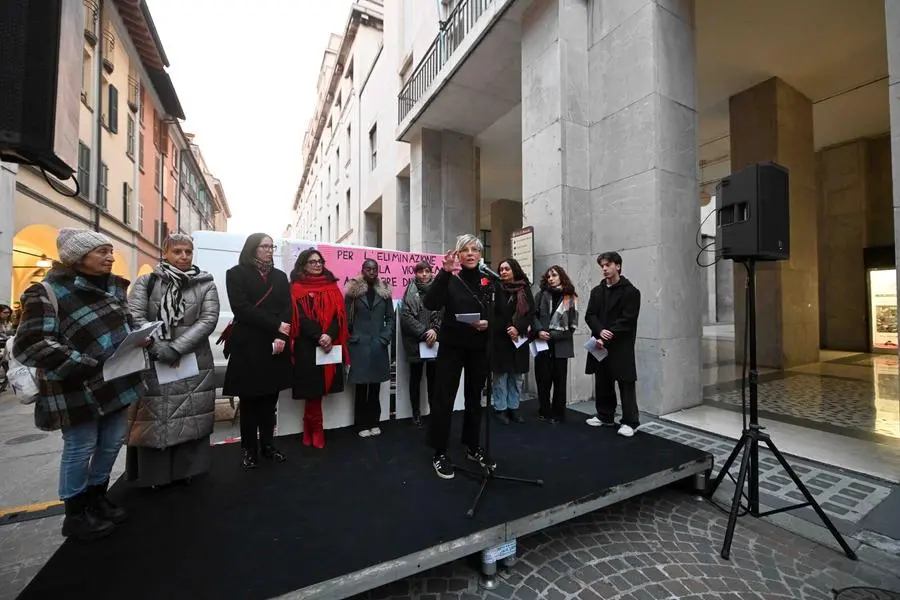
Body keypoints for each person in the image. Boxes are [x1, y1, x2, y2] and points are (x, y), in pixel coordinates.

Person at [13, 228, 148, 540]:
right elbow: (32, 342)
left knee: (112, 441)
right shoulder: (46, 292)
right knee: (80, 446)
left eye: (110, 250)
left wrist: (141, 337)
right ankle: (75, 513)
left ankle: (96, 497)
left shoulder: (114, 288)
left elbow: (127, 324)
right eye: (101, 251)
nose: (110, 257)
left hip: (114, 380)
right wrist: (86, 362)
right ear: (77, 256)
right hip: (74, 387)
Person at [125, 233, 220, 488]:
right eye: (177, 251)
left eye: (188, 252)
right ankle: (155, 477)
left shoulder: (205, 284)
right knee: (155, 418)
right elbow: (135, 316)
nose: (184, 256)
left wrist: (176, 349)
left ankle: (186, 471)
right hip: (153, 362)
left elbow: (208, 320)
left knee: (191, 416)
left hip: (192, 361)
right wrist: (159, 347)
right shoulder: (147, 282)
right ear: (164, 253)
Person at [423, 234, 494, 480]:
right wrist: (443, 273)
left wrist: (489, 322)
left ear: (480, 254)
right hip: (452, 346)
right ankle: (439, 452)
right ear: (458, 254)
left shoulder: (488, 280)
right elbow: (430, 303)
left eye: (475, 249)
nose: (471, 254)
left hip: (478, 347)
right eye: (465, 250)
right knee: (444, 398)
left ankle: (473, 446)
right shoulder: (450, 278)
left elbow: (501, 312)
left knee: (475, 398)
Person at [222, 233, 292, 468]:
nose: (270, 250)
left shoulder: (280, 277)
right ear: (253, 249)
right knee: (250, 401)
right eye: (265, 246)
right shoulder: (236, 274)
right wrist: (275, 325)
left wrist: (281, 335)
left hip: (273, 345)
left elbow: (286, 309)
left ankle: (268, 446)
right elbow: (241, 309)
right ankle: (248, 449)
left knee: (269, 400)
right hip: (248, 345)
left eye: (272, 246)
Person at [289, 248, 349, 448]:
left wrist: (329, 335)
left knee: (321, 388)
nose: (317, 264)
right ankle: (315, 427)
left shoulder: (332, 286)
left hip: (327, 344)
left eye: (319, 261)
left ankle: (312, 426)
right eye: (312, 261)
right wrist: (319, 335)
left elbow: (338, 316)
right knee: (311, 389)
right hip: (306, 345)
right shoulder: (296, 287)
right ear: (303, 264)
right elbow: (299, 317)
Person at [584, 251, 641, 437]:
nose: (604, 269)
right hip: (600, 344)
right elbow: (589, 315)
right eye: (602, 266)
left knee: (625, 382)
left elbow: (628, 319)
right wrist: (600, 331)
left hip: (621, 345)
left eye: (608, 265)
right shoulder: (597, 291)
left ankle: (630, 422)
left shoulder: (631, 291)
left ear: (618, 266)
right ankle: (605, 415)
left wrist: (609, 334)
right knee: (602, 380)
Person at [345, 259, 396, 437]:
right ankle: (360, 425)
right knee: (360, 387)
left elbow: (391, 318)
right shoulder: (353, 291)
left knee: (375, 386)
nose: (372, 272)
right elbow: (346, 318)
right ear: (362, 270)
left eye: (375, 269)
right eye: (368, 268)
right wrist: (351, 337)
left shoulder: (384, 292)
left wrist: (385, 337)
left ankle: (374, 421)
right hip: (358, 345)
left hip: (378, 344)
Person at [490, 258, 534, 424]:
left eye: (507, 269)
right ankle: (500, 408)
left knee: (516, 376)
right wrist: (509, 327)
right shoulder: (495, 288)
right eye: (501, 269)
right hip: (500, 337)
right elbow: (494, 312)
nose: (503, 272)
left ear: (514, 270)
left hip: (519, 339)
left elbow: (530, 312)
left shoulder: (524, 288)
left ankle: (513, 407)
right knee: (500, 376)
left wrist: (518, 328)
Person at [532, 265, 579, 423]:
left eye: (554, 275)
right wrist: (539, 331)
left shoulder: (570, 297)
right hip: (542, 343)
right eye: (548, 276)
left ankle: (558, 414)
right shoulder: (540, 295)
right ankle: (544, 411)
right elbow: (533, 315)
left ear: (562, 277)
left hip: (561, 344)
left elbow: (572, 325)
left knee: (560, 382)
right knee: (543, 380)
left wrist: (551, 335)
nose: (550, 278)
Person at [399, 261, 442, 427]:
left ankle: (433, 411)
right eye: (420, 272)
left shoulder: (438, 291)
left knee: (434, 380)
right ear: (415, 274)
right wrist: (424, 332)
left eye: (427, 271)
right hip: (415, 342)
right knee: (415, 380)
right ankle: (415, 412)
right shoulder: (409, 291)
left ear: (431, 273)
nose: (424, 274)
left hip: (433, 342)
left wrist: (434, 330)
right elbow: (406, 316)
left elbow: (441, 313)